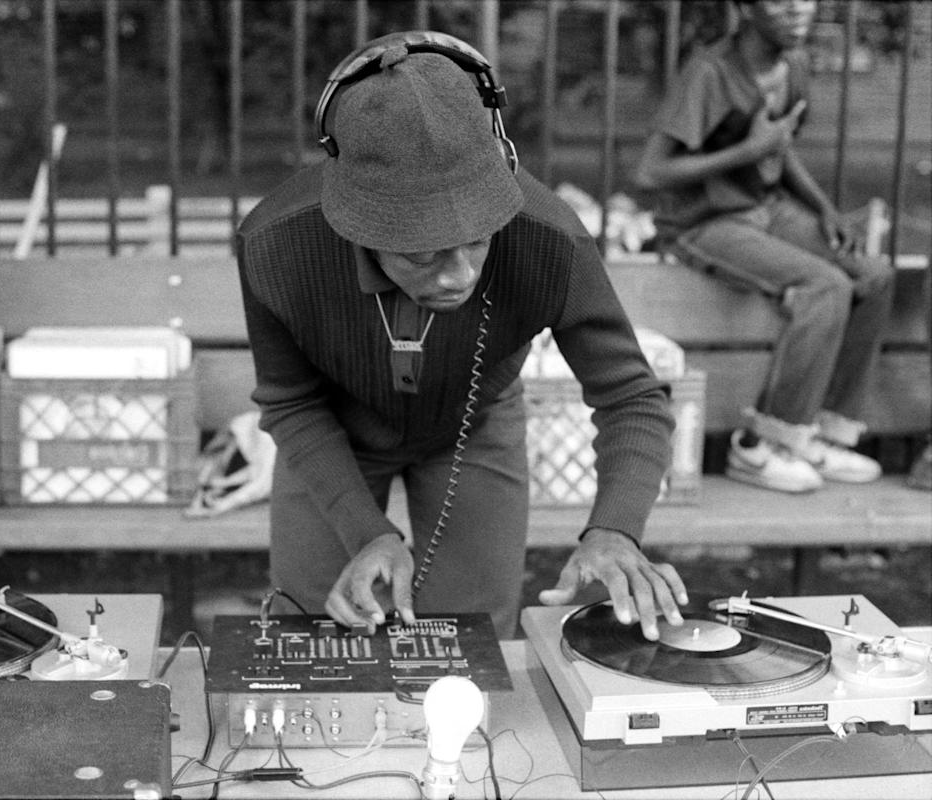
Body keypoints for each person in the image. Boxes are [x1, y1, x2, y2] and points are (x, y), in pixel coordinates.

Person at [235, 31, 689, 641]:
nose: (460, 276)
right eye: (421, 254)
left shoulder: (550, 237)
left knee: (472, 642)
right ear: (357, 224)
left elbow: (632, 397)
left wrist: (615, 529)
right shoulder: (275, 243)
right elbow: (290, 402)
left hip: (477, 426)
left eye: (477, 239)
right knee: (314, 633)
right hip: (329, 431)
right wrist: (367, 533)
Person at [634, 0, 894, 494]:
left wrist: (824, 209)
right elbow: (650, 171)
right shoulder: (710, 72)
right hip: (704, 221)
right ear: (744, 9)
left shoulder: (792, 64)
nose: (798, 11)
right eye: (779, 1)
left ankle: (822, 434)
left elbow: (777, 144)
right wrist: (745, 152)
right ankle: (761, 445)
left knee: (873, 274)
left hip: (767, 210)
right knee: (824, 285)